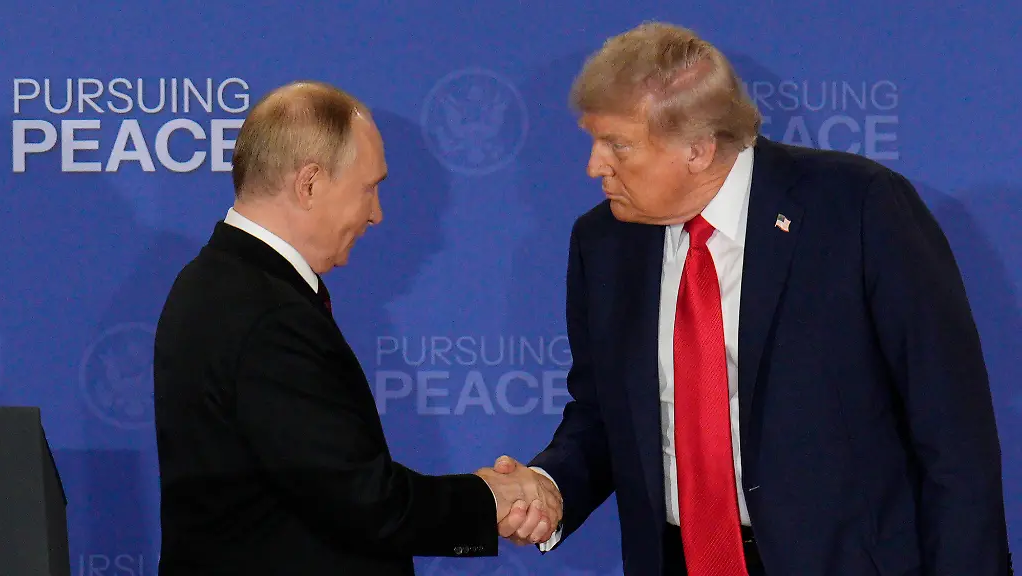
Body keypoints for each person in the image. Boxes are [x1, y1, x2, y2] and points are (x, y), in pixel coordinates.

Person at [491, 22, 1012, 575]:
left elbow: (953, 433)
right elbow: (602, 416)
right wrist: (548, 486)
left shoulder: (859, 210)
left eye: (618, 145)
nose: (595, 165)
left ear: (696, 147)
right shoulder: (603, 243)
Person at [152, 81, 561, 576]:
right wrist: (488, 500)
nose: (376, 213)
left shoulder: (220, 283)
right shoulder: (266, 314)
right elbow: (361, 499)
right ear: (309, 184)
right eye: (369, 187)